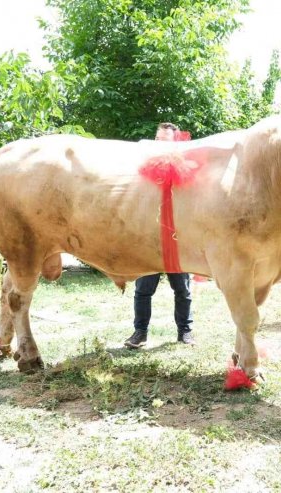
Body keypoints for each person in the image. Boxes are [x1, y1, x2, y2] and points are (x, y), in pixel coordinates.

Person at [125, 122, 194, 348]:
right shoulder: (142, 167)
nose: (162, 145)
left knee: (183, 290)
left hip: (178, 238)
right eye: (159, 140)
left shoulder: (185, 168)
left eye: (168, 140)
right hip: (150, 238)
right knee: (143, 290)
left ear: (175, 142)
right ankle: (140, 333)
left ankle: (185, 332)